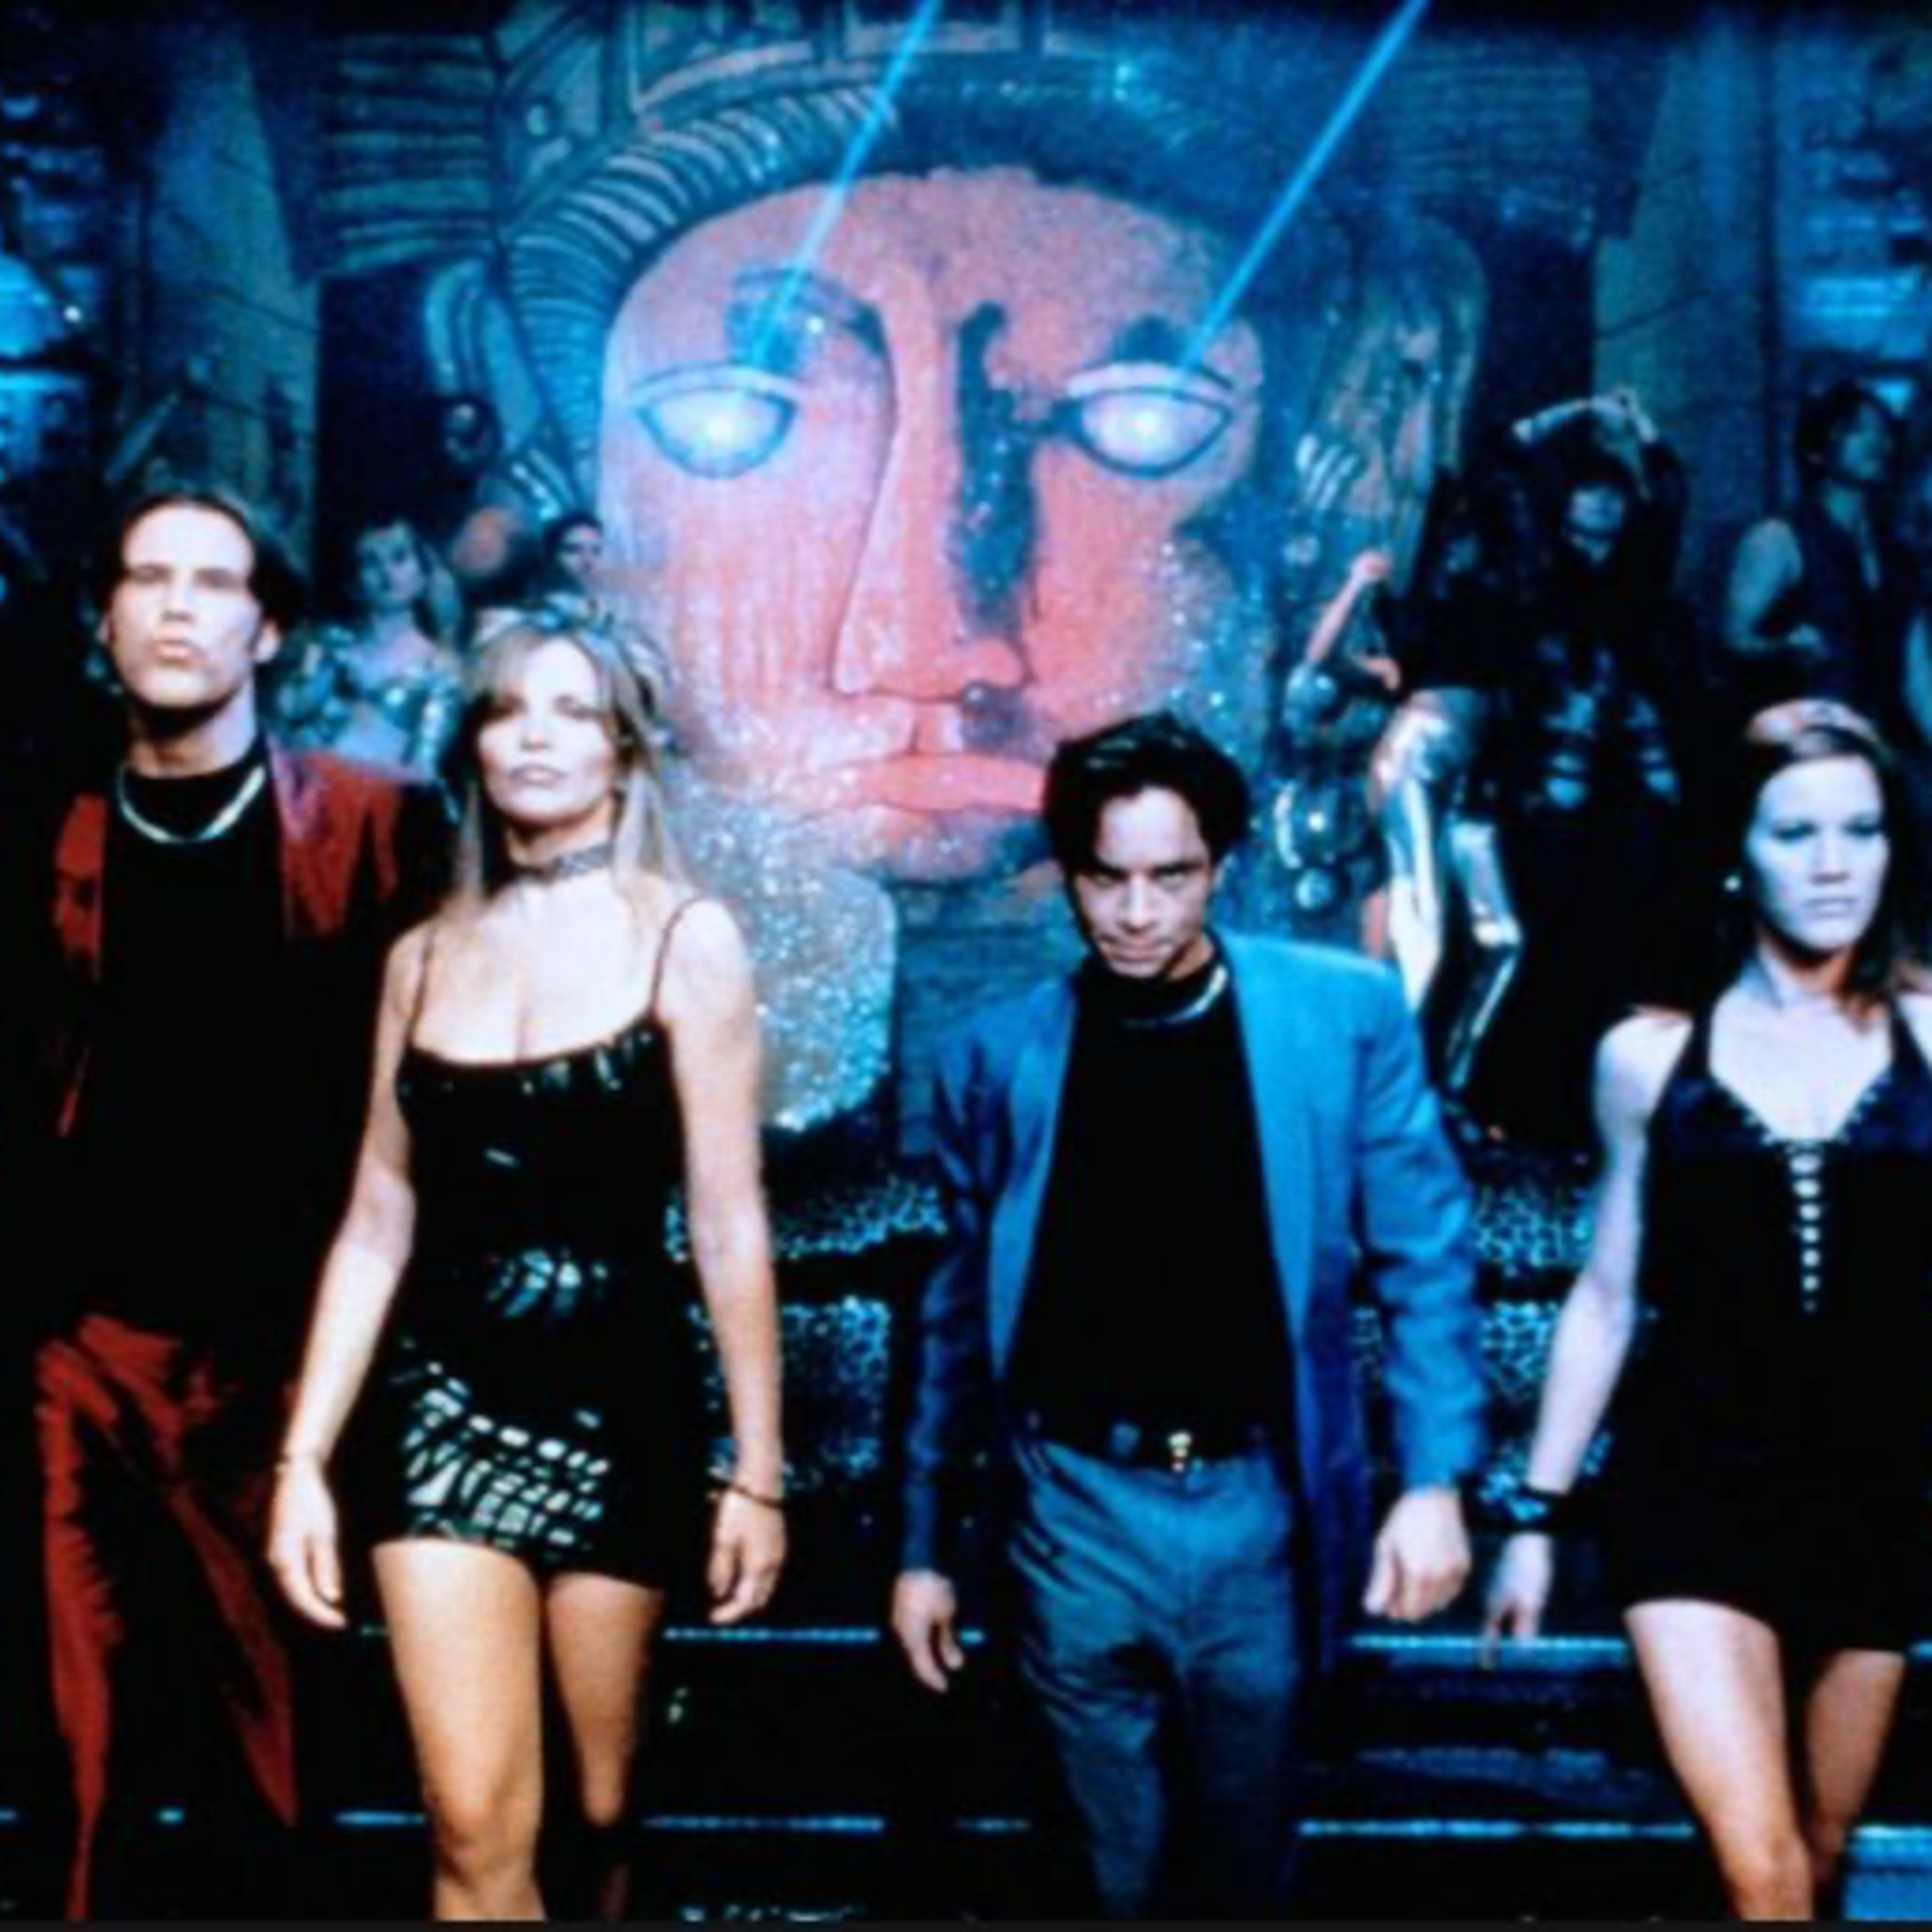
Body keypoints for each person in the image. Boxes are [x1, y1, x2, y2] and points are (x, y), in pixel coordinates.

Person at [890, 710, 1486, 1916]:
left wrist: (1434, 1482)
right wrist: (922, 1549)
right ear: (1069, 874)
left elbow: (1425, 1257)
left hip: (1256, 1501)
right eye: (1105, 878)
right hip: (1070, 1502)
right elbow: (952, 1321)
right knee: (1102, 1876)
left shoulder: (1340, 1018)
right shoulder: (994, 1058)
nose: (1136, 911)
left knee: (1242, 1867)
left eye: (1171, 876)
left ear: (1222, 867)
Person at [267, 616, 785, 1921]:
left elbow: (728, 1221)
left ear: (623, 749)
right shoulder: (421, 958)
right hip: (438, 1407)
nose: (536, 737)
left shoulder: (688, 938)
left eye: (571, 711)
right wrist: (304, 1461)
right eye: (507, 711)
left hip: (623, 1407)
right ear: (478, 747)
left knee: (600, 1812)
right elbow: (376, 1216)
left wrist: (758, 1474)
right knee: (474, 1831)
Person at [8, 480, 436, 1919]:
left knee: (281, 1770)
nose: (178, 608)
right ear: (104, 620)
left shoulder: (375, 826)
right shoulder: (40, 824)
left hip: (286, 1363)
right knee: (78, 1772)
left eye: (213, 581)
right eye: (148, 579)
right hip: (79, 1348)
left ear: (268, 629)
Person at [1484, 697, 1932, 1920]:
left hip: (1876, 1495)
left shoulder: (1927, 1035)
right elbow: (1606, 1296)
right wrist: (1536, 1515)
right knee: (1763, 1875)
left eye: (1861, 831)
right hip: (1693, 1493)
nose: (1834, 864)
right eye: (1797, 833)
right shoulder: (1649, 1057)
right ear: (1740, 849)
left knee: (1821, 1864)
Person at [1370, 390, 1698, 1144]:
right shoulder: (1535, 574)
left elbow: (1672, 495)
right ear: (1564, 501)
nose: (1604, 505)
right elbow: (1497, 462)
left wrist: (1640, 429)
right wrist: (1570, 414)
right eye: (1589, 491)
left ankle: (1603, 1108)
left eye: (1614, 492)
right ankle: (1527, 1107)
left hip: (1623, 781)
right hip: (1540, 784)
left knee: (1623, 932)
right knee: (1542, 934)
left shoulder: (1638, 574)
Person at [1724, 379, 1915, 746]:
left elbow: (1915, 671)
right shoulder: (1777, 538)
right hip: (1800, 746)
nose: (1877, 442)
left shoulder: (1895, 554)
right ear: (1817, 450)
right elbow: (1732, 641)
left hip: (1875, 744)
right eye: (1857, 429)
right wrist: (1782, 648)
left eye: (1883, 430)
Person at [269, 517, 466, 779]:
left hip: (378, 795)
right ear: (354, 581)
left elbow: (424, 771)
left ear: (423, 573)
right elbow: (290, 709)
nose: (387, 574)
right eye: (370, 562)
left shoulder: (439, 667)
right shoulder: (328, 645)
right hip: (304, 785)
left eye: (399, 557)